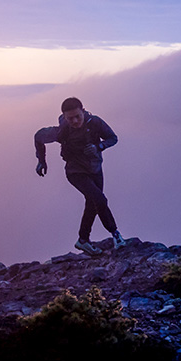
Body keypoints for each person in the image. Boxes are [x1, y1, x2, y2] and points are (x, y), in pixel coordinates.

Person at [34, 96, 126, 255]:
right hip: (75, 172)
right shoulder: (62, 130)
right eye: (70, 118)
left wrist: (99, 146)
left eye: (78, 116)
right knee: (100, 199)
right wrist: (41, 161)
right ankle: (116, 234)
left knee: (93, 203)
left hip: (95, 168)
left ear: (83, 111)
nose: (75, 121)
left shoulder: (95, 123)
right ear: (64, 117)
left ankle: (83, 240)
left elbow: (113, 138)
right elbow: (38, 137)